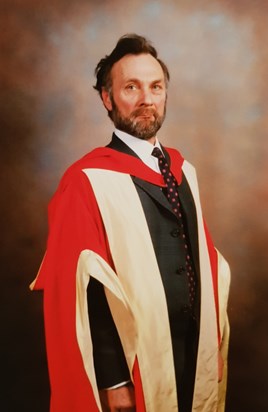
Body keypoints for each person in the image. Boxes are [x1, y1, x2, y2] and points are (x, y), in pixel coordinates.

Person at [31, 34, 230, 412]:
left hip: (191, 352)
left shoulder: (183, 170)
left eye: (156, 87)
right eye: (131, 87)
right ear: (107, 99)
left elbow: (202, 264)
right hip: (138, 364)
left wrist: (210, 346)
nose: (146, 99)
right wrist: (115, 380)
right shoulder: (86, 181)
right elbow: (86, 292)